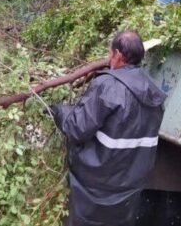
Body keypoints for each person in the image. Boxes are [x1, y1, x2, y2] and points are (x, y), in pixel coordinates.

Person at [48, 31, 167, 226]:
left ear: (118, 55)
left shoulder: (108, 86)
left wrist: (59, 110)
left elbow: (76, 128)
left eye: (110, 54)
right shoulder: (154, 93)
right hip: (129, 184)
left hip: (97, 184)